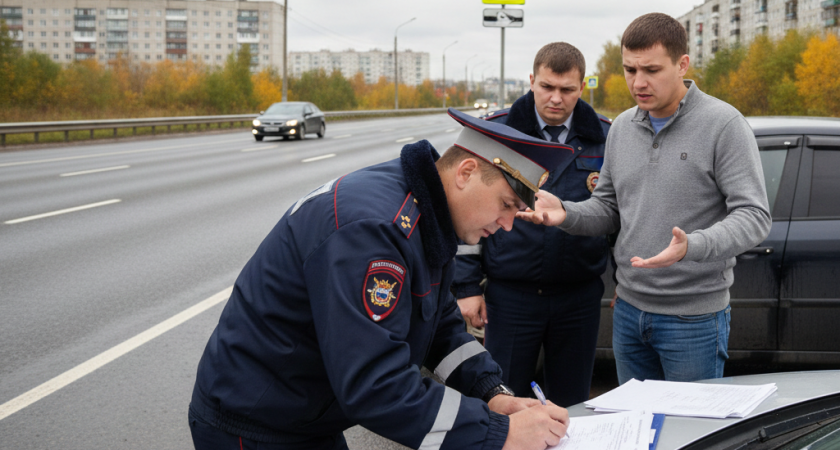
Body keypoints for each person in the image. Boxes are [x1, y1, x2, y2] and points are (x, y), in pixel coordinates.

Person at [188, 108, 576, 450]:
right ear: (466, 172)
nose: (508, 224)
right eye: (507, 205)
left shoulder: (427, 214)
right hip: (257, 426)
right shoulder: (376, 233)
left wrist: (492, 393)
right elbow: (375, 384)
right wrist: (498, 434)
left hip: (304, 415)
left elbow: (439, 327)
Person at [516, 13, 772, 386]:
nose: (638, 82)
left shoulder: (723, 125)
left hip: (693, 319)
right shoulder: (621, 128)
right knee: (635, 428)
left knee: (689, 432)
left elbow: (754, 216)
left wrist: (693, 246)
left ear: (682, 64)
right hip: (629, 311)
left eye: (651, 70)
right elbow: (607, 209)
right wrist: (565, 213)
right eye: (630, 69)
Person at [453, 42, 612, 407]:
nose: (556, 98)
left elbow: (618, 215)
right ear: (532, 81)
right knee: (502, 400)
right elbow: (463, 211)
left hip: (579, 298)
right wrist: (465, 287)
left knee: (571, 405)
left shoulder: (606, 136)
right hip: (510, 297)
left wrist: (627, 282)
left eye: (567, 90)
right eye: (547, 87)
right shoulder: (495, 131)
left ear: (583, 87)